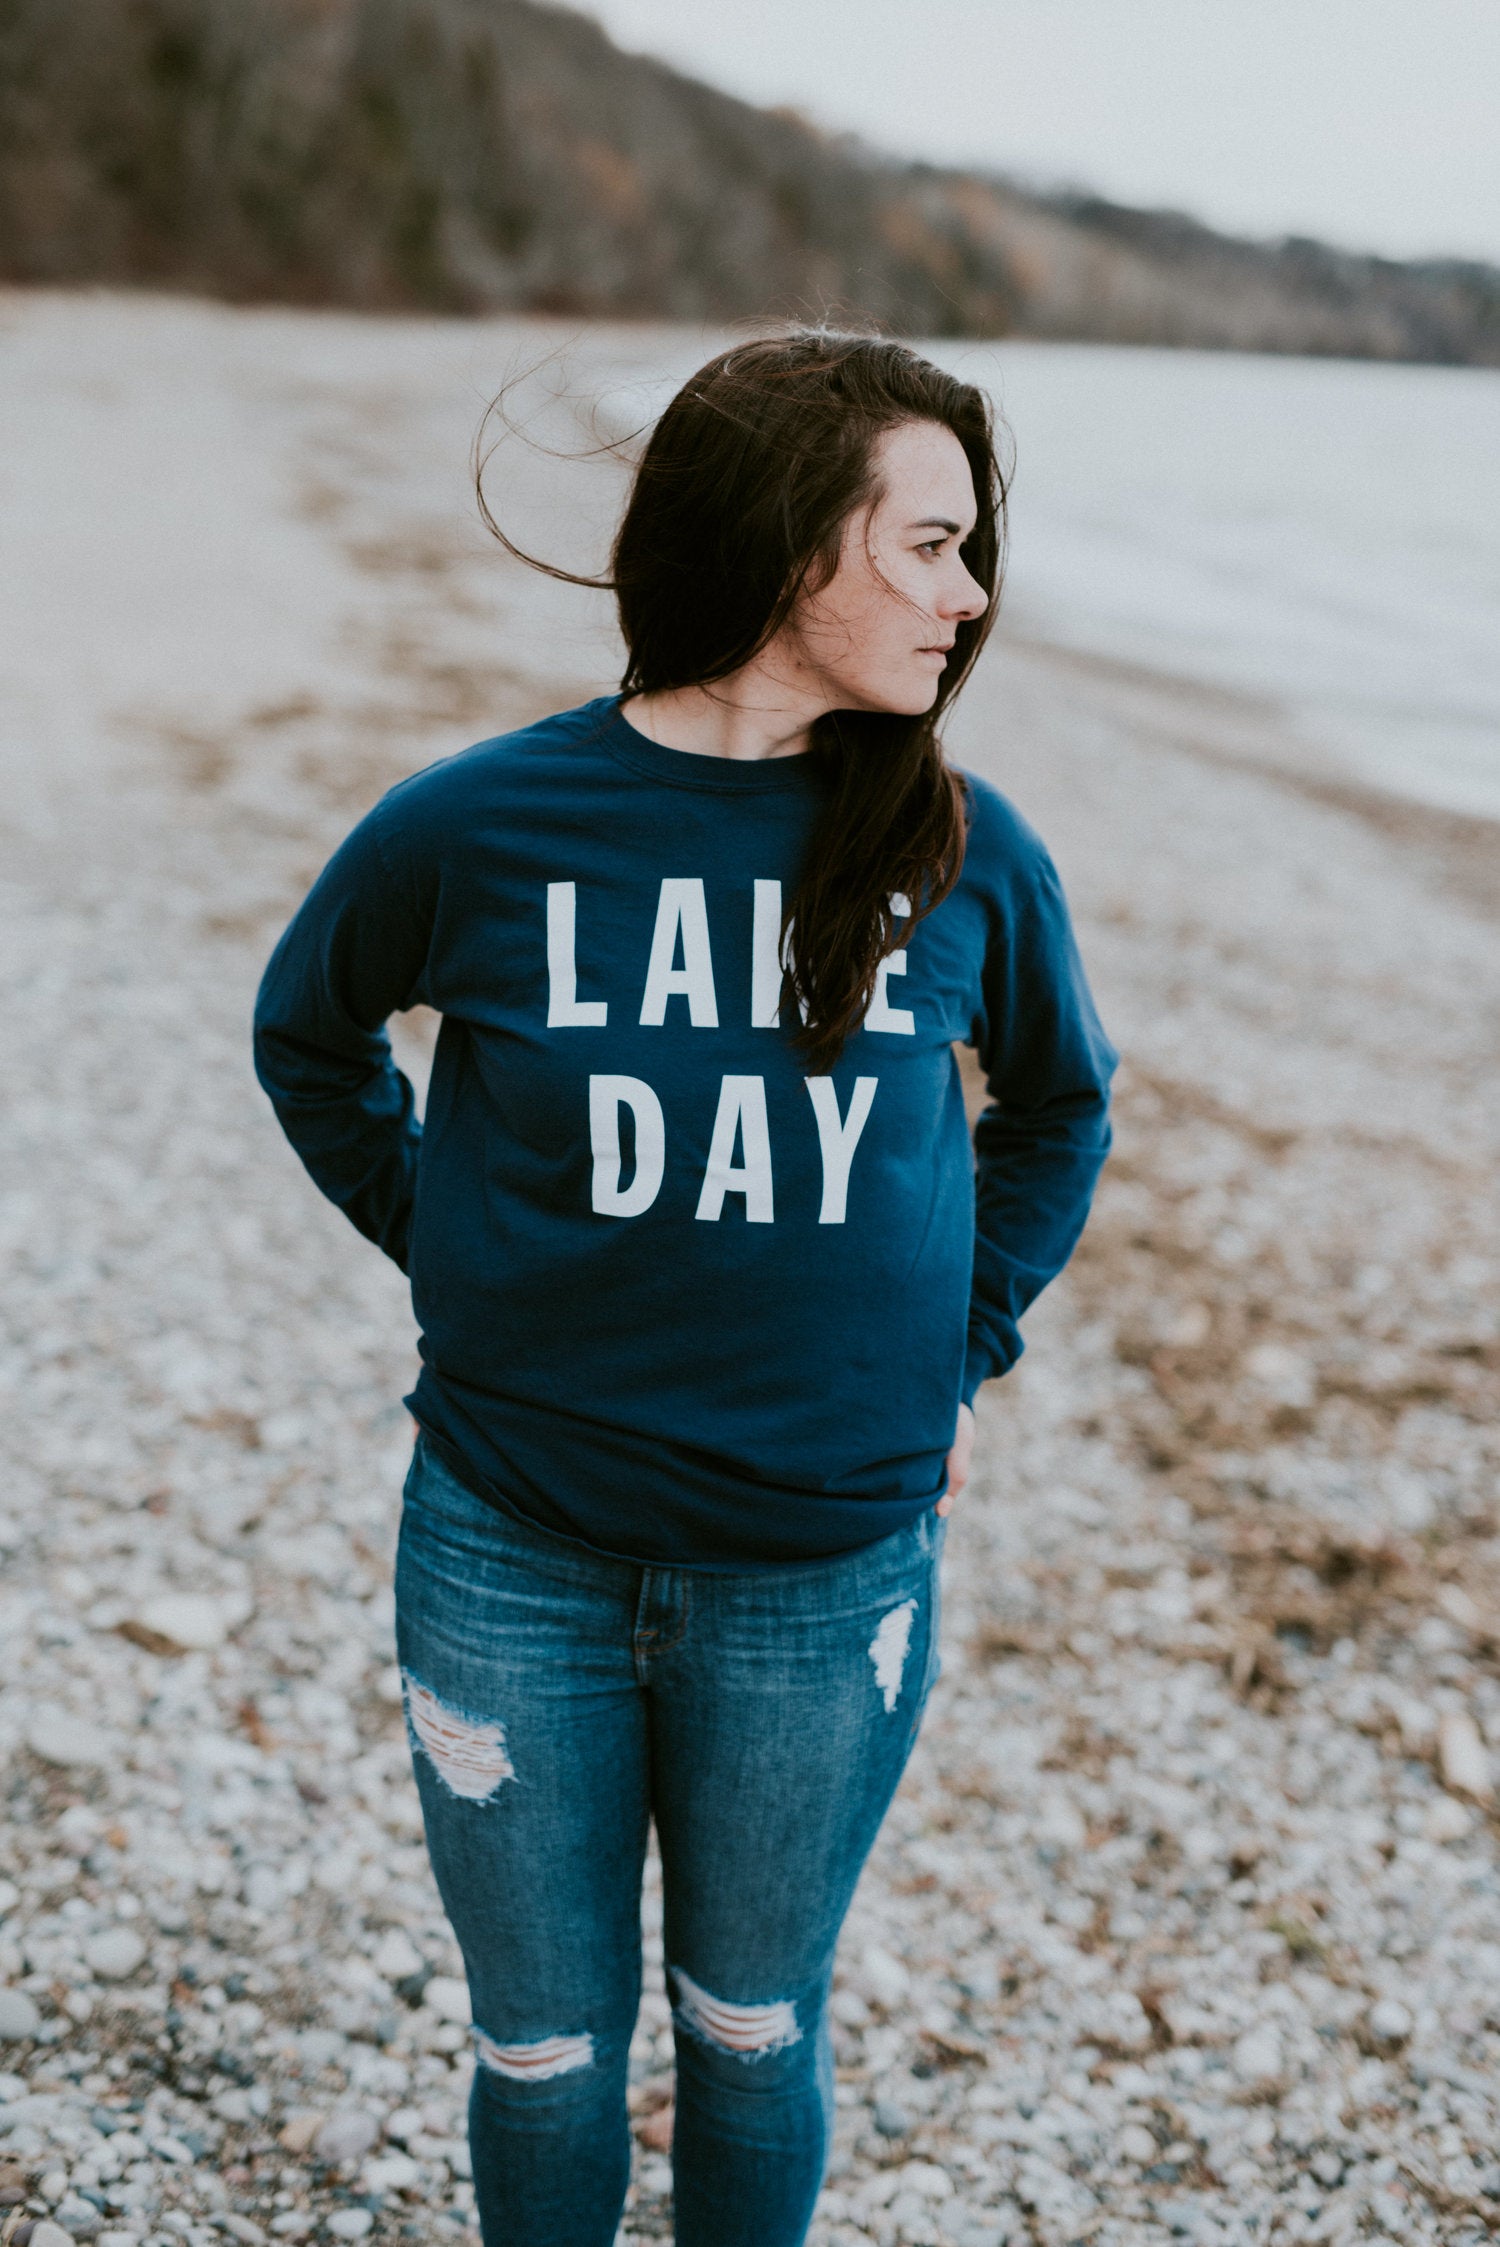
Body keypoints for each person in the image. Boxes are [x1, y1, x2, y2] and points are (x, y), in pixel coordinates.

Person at [253, 329, 1116, 2247]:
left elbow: (1060, 1107)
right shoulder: (479, 824)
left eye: (976, 551)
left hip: (824, 1583)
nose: (970, 598)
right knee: (541, 2049)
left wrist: (953, 1355)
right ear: (796, 540)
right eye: (931, 544)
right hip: (509, 1555)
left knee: (749, 2028)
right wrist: (455, 1242)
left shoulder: (963, 856)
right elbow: (308, 1038)